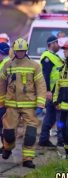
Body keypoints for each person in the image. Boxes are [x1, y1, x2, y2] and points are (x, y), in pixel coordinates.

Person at [0, 38, 47, 168]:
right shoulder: (8, 65)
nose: (20, 53)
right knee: (8, 134)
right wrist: (1, 101)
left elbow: (41, 85)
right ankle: (8, 147)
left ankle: (27, 159)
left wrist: (40, 104)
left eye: (22, 51)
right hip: (11, 105)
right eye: (18, 51)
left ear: (25, 51)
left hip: (29, 105)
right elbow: (2, 83)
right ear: (14, 51)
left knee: (30, 134)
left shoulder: (34, 66)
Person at [38, 36, 64, 148]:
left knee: (51, 116)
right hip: (53, 92)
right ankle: (61, 140)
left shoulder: (54, 56)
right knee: (59, 116)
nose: (58, 45)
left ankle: (44, 140)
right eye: (56, 43)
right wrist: (48, 91)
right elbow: (46, 75)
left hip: (56, 91)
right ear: (51, 44)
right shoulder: (47, 57)